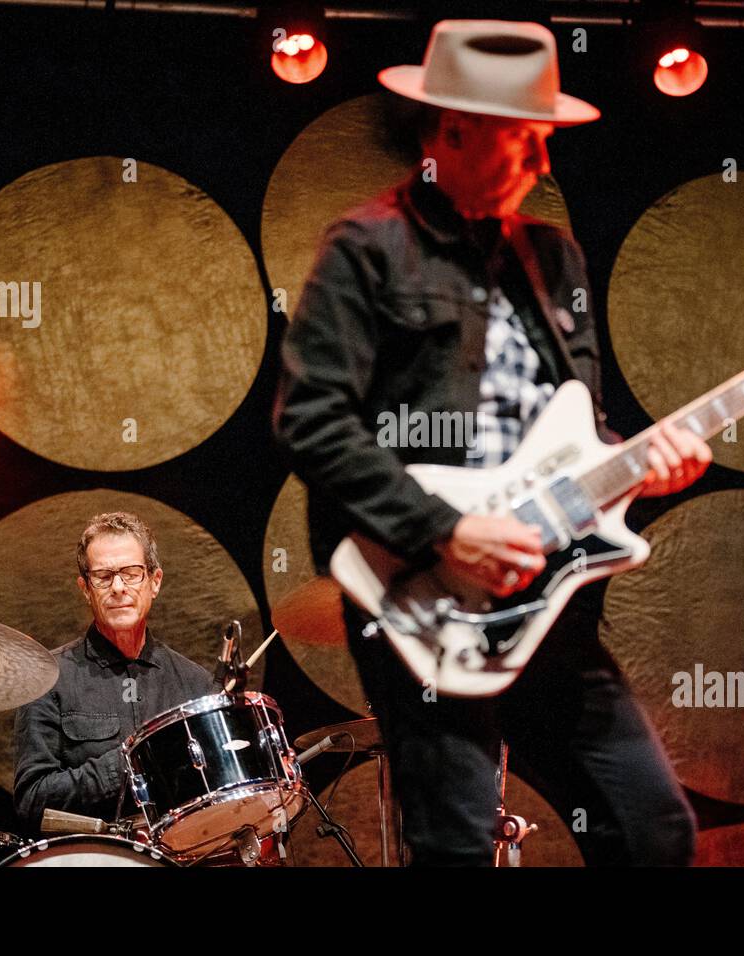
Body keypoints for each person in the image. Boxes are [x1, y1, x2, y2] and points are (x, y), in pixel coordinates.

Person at [274, 19, 712, 865]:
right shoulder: (368, 249)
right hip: (423, 597)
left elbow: (579, 431)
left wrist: (643, 470)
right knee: (455, 847)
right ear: (453, 130)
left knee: (652, 829)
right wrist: (444, 528)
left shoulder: (554, 260)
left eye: (546, 143)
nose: (544, 164)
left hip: (549, 599)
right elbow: (310, 420)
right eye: (524, 141)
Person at [13, 511, 215, 832]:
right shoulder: (47, 678)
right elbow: (32, 801)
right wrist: (130, 763)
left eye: (131, 573)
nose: (118, 587)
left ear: (155, 582)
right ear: (85, 588)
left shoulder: (196, 684)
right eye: (103, 576)